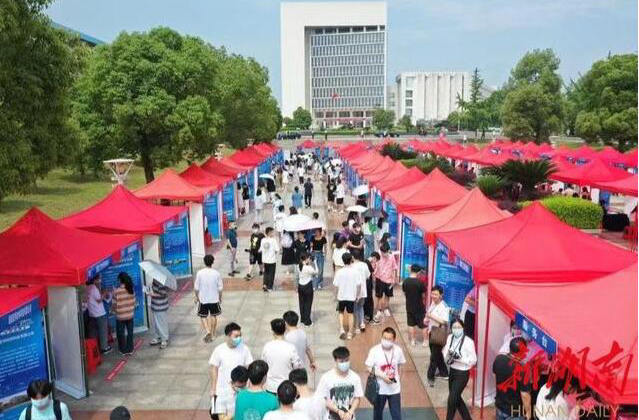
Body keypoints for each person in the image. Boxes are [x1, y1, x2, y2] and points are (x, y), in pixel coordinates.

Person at [365, 328, 407, 420]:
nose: (386, 341)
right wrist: (382, 376)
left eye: (389, 339)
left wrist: (399, 380)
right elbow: (368, 367)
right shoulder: (374, 350)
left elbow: (401, 365)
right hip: (379, 390)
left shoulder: (398, 350)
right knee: (377, 414)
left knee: (396, 415)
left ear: (394, 340)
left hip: (394, 390)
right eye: (384, 338)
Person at [210, 323, 254, 405]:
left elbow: (249, 367)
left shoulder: (244, 348)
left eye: (240, 336)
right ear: (228, 336)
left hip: (240, 390)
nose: (239, 338)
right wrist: (213, 389)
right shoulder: (219, 350)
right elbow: (214, 369)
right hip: (222, 390)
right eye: (236, 336)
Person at [443, 318, 477, 420]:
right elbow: (445, 350)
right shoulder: (450, 337)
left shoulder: (468, 342)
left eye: (458, 327)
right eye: (454, 327)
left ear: (463, 328)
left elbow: (473, 360)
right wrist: (448, 356)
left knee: (452, 399)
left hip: (462, 374)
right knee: (456, 398)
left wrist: (460, 358)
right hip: (452, 371)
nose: (456, 329)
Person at [316, 347, 363, 420]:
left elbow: (357, 398)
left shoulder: (355, 377)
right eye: (341, 361)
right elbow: (323, 399)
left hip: (349, 417)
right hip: (331, 416)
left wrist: (350, 412)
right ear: (335, 360)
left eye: (347, 360)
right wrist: (337, 411)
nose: (344, 363)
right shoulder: (326, 377)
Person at [493, 337, 532, 420]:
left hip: (499, 405)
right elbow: (525, 394)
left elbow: (495, 377)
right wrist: (528, 412)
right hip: (515, 413)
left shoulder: (498, 359)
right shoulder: (523, 369)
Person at [261, 318, 303, 393]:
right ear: (285, 330)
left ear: (273, 331)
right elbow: (297, 367)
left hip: (271, 387)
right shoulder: (291, 348)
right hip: (287, 388)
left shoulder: (267, 347)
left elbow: (263, 366)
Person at [195, 254, 224, 342]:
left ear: (204, 262)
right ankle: (213, 333)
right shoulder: (216, 273)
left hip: (203, 299)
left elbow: (196, 288)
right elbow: (220, 288)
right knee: (213, 315)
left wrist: (196, 297)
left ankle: (207, 331)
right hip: (214, 299)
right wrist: (220, 298)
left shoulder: (200, 273)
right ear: (213, 262)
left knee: (203, 315)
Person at [426, 285, 450, 386]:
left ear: (441, 295)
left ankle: (430, 376)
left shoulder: (444, 307)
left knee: (434, 356)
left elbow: (444, 321)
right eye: (432, 293)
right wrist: (427, 320)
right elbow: (429, 314)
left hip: (438, 333)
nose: (433, 296)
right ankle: (444, 373)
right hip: (432, 331)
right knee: (437, 354)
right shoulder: (433, 303)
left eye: (436, 294)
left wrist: (431, 316)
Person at [333, 253, 360, 340]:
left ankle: (341, 329)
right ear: (351, 260)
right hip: (351, 296)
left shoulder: (339, 272)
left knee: (340, 312)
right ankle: (350, 333)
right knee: (350, 314)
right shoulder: (355, 272)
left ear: (343, 260)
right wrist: (357, 295)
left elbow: (336, 285)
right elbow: (358, 285)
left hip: (341, 296)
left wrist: (335, 295)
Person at [402, 264, 428, 347]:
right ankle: (425, 341)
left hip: (409, 306)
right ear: (419, 272)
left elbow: (404, 292)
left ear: (411, 270)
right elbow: (423, 295)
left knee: (411, 324)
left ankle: (413, 340)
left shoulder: (405, 281)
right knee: (424, 324)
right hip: (419, 306)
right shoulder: (420, 282)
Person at [373, 243, 398, 323]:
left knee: (387, 295)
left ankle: (386, 308)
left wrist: (394, 279)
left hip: (389, 280)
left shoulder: (391, 257)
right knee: (379, 296)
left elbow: (394, 268)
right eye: (383, 252)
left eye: (385, 252)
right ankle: (379, 310)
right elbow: (374, 266)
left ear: (388, 251)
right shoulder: (378, 256)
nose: (384, 254)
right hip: (379, 279)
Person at [86, 274, 112, 354]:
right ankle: (104, 348)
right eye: (99, 279)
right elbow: (99, 299)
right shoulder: (93, 288)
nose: (100, 280)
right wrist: (106, 292)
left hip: (92, 313)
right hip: (99, 313)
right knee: (103, 331)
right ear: (95, 280)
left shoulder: (88, 287)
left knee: (93, 332)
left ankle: (94, 348)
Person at [112, 272, 135, 355]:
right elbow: (134, 302)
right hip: (130, 315)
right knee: (130, 332)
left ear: (120, 280)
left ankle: (123, 350)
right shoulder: (131, 289)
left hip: (120, 316)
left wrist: (115, 311)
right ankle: (130, 349)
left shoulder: (117, 291)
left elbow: (114, 305)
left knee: (120, 333)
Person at [296, 253, 317, 326]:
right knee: (308, 303)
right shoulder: (309, 268)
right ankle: (307, 322)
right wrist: (315, 263)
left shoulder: (298, 266)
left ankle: (302, 319)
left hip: (300, 286)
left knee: (301, 303)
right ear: (307, 259)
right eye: (309, 258)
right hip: (308, 286)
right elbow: (317, 272)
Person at [149, 279, 170, 349]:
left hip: (161, 306)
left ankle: (164, 339)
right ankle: (158, 337)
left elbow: (163, 294)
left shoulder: (163, 281)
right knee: (157, 323)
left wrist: (152, 294)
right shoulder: (155, 279)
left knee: (162, 323)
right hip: (155, 304)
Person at [352, 257, 370, 333]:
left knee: (355, 308)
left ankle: (356, 327)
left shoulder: (352, 266)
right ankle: (362, 324)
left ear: (353, 257)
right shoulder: (364, 265)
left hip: (354, 291)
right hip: (363, 290)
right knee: (361, 307)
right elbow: (368, 276)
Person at [260, 228, 280, 292]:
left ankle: (264, 285)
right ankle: (269, 287)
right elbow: (277, 250)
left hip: (265, 260)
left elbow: (261, 249)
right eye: (272, 232)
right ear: (269, 233)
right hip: (272, 260)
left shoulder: (263, 240)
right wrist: (273, 253)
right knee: (271, 273)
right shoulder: (273, 240)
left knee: (266, 272)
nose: (273, 233)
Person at [364, 252, 378, 323]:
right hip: (368, 285)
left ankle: (365, 316)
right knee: (369, 301)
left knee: (364, 302)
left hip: (363, 285)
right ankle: (370, 318)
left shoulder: (364, 263)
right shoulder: (368, 263)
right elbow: (372, 274)